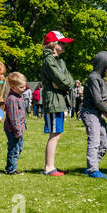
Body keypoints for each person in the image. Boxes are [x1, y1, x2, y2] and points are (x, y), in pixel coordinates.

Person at [41, 31, 75, 176]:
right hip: (53, 100)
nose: (64, 45)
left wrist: (64, 84)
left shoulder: (60, 61)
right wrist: (64, 84)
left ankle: (51, 165)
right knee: (54, 133)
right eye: (61, 43)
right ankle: (49, 167)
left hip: (59, 99)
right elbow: (61, 79)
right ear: (54, 45)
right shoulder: (49, 60)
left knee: (57, 132)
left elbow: (69, 81)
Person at [81, 51, 107, 179]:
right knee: (95, 140)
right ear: (102, 64)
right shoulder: (93, 78)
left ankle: (92, 165)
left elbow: (104, 99)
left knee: (104, 144)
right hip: (90, 113)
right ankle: (92, 169)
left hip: (99, 113)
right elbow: (97, 100)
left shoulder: (101, 79)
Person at [4, 72, 27, 175]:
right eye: (21, 87)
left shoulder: (20, 96)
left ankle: (12, 167)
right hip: (13, 130)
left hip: (19, 129)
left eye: (24, 86)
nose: (24, 88)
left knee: (19, 148)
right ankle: (11, 169)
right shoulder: (12, 100)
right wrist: (17, 131)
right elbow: (14, 118)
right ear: (13, 87)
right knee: (14, 149)